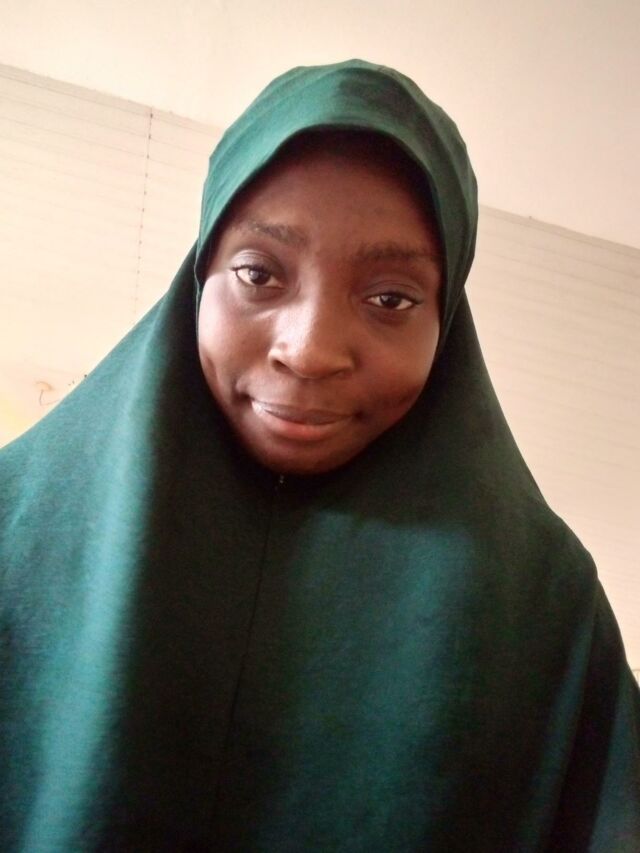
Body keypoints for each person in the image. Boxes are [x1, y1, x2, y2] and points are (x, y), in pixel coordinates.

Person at [0, 59, 638, 852]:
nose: (309, 350)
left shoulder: (548, 617)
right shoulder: (16, 527)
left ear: (446, 322)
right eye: (258, 273)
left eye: (390, 298)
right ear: (200, 274)